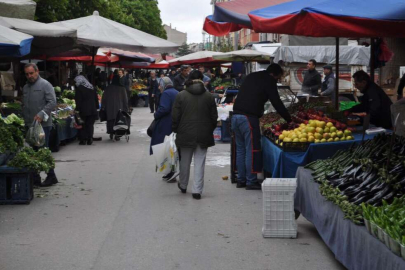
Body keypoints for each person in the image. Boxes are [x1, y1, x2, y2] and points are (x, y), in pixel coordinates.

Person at [232, 64, 292, 190]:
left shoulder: (252, 76)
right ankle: (251, 181)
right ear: (274, 74)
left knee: (241, 149)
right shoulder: (269, 80)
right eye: (278, 77)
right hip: (248, 118)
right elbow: (276, 102)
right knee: (251, 149)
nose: (277, 80)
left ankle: (241, 180)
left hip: (236, 116)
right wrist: (289, 119)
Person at [172, 70, 218, 200]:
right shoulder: (209, 96)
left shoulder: (181, 95)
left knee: (184, 160)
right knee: (200, 161)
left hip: (185, 132)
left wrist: (175, 129)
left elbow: (175, 116)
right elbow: (214, 117)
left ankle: (183, 184)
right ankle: (197, 190)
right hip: (203, 133)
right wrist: (209, 129)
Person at [22, 63, 58, 187]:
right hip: (29, 124)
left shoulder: (45, 85)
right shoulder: (26, 87)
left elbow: (52, 102)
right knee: (32, 152)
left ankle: (51, 176)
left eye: (31, 73)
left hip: (43, 125)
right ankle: (35, 178)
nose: (29, 76)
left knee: (42, 150)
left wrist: (41, 114)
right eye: (27, 74)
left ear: (37, 71)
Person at [150, 77, 179, 182]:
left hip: (166, 123)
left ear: (164, 85)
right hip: (174, 123)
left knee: (166, 148)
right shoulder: (176, 92)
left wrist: (156, 114)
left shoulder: (166, 94)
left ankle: (170, 171)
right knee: (171, 148)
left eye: (160, 85)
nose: (159, 87)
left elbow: (164, 108)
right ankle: (170, 171)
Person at [101, 74, 129, 140]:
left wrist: (103, 106)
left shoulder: (108, 88)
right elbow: (125, 100)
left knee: (110, 119)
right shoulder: (122, 88)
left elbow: (104, 98)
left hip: (109, 107)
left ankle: (111, 132)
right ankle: (117, 134)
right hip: (119, 107)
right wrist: (126, 109)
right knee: (118, 119)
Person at [74, 75, 99, 145]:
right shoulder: (92, 87)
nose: (75, 82)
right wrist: (96, 107)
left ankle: (83, 140)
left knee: (83, 124)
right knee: (90, 124)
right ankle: (90, 138)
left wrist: (77, 109)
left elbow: (78, 100)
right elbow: (96, 99)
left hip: (83, 110)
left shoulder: (79, 89)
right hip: (92, 110)